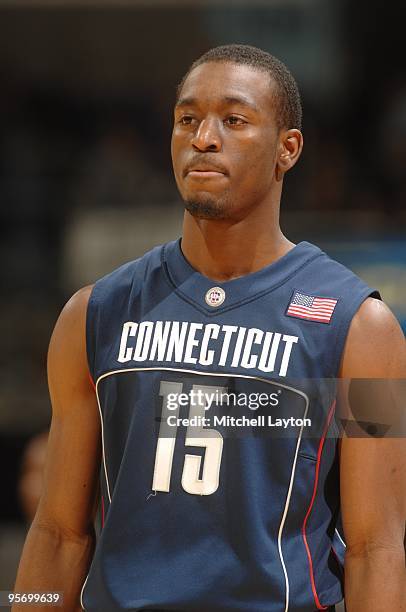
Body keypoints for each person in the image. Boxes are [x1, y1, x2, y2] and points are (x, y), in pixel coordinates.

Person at [14, 44, 406, 612]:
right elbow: (56, 534)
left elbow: (378, 549)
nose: (203, 137)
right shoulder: (94, 313)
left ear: (287, 150)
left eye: (234, 119)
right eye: (187, 119)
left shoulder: (361, 328)